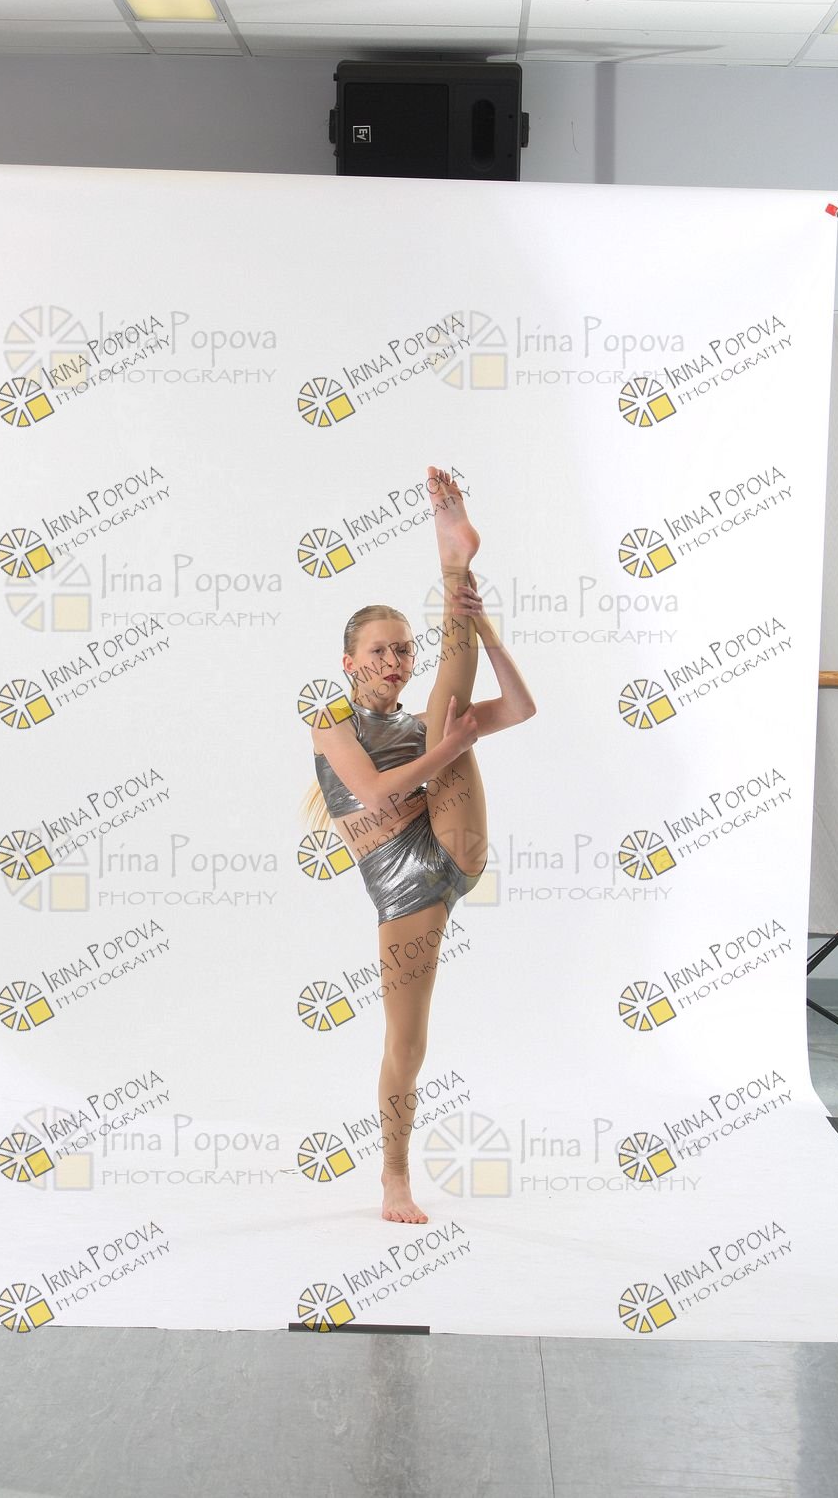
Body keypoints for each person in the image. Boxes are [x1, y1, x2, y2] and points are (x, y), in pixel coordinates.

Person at [302, 467, 537, 1223]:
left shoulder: (424, 720)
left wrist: (483, 626)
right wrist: (451, 747)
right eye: (378, 652)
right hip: (405, 890)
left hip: (455, 848)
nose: (393, 662)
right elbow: (376, 796)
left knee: (448, 705)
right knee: (406, 1043)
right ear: (349, 663)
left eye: (403, 650)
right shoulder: (330, 724)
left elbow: (522, 707)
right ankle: (394, 1178)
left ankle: (453, 565)